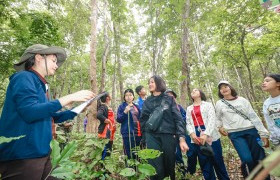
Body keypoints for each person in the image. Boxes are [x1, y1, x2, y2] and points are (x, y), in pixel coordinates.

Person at [0, 44, 94, 180]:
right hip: (23, 155)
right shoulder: (24, 77)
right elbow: (29, 112)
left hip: (41, 153)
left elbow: (52, 116)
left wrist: (76, 110)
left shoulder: (41, 85)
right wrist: (69, 97)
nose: (56, 66)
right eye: (53, 61)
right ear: (38, 58)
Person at [216, 80, 270, 179]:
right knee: (247, 159)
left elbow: (253, 116)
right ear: (219, 91)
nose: (224, 89)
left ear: (230, 87)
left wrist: (263, 133)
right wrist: (219, 127)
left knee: (259, 158)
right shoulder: (219, 103)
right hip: (235, 134)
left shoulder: (242, 100)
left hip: (251, 131)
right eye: (221, 88)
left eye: (226, 86)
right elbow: (218, 118)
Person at [140, 75, 189, 180]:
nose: (150, 84)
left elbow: (178, 119)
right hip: (151, 136)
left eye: (152, 82)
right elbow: (143, 120)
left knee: (168, 165)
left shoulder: (169, 99)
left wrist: (181, 138)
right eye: (149, 82)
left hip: (168, 136)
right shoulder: (147, 101)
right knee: (154, 166)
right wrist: (144, 139)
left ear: (159, 83)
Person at [186, 89, 229, 180]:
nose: (193, 91)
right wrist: (192, 134)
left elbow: (212, 119)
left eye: (196, 90)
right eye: (192, 91)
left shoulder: (208, 105)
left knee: (217, 160)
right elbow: (188, 122)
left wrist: (206, 134)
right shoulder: (189, 108)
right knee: (205, 162)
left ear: (200, 94)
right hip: (197, 136)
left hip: (211, 134)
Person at [165, 89, 189, 174]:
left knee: (181, 154)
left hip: (181, 133)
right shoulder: (164, 109)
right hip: (170, 135)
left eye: (172, 96)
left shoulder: (179, 107)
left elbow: (185, 118)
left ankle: (183, 173)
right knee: (173, 155)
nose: (170, 97)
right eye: (168, 96)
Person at [117, 89, 142, 160]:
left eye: (130, 95)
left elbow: (140, 118)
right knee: (128, 154)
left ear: (133, 96)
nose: (128, 97)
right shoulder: (122, 106)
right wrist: (125, 111)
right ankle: (129, 169)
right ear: (124, 97)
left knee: (137, 153)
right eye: (126, 95)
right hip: (127, 133)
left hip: (137, 133)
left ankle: (137, 169)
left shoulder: (136, 107)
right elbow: (119, 119)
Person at [262, 73, 280, 147]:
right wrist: (273, 138)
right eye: (263, 81)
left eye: (267, 81)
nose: (264, 83)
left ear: (278, 83)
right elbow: (270, 122)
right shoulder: (266, 103)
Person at [97, 92, 116, 160]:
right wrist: (106, 120)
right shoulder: (103, 106)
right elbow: (99, 115)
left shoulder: (107, 106)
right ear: (107, 98)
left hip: (110, 131)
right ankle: (103, 167)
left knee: (109, 149)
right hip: (105, 131)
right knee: (105, 149)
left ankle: (107, 167)